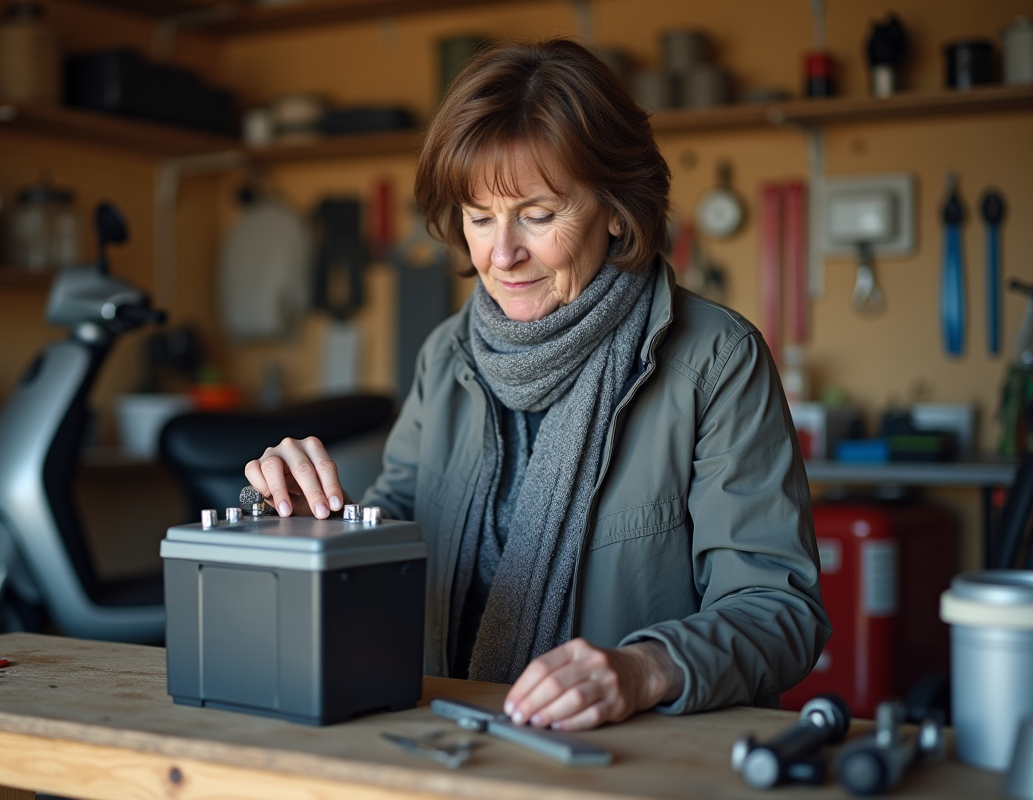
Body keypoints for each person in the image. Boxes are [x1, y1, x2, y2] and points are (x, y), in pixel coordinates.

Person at [244, 38, 830, 732]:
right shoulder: (447, 356)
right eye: (480, 217)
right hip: (452, 740)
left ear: (617, 210)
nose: (501, 253)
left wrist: (643, 669)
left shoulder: (717, 360)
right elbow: (387, 542)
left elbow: (779, 610)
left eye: (538, 214)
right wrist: (296, 518)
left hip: (634, 760)